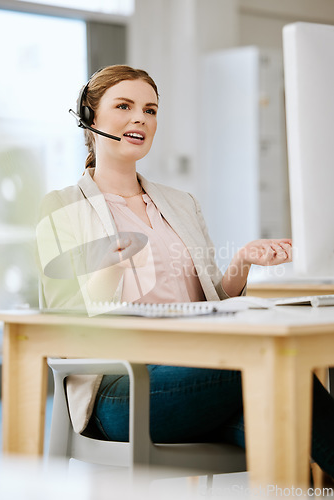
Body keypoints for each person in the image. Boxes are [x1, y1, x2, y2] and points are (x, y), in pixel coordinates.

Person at [36, 64, 334, 478]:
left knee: (289, 422)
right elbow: (62, 324)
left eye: (150, 109)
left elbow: (214, 301)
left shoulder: (180, 203)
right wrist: (106, 268)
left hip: (201, 367)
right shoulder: (63, 207)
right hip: (121, 385)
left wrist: (242, 260)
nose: (140, 118)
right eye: (124, 106)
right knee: (278, 373)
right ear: (90, 118)